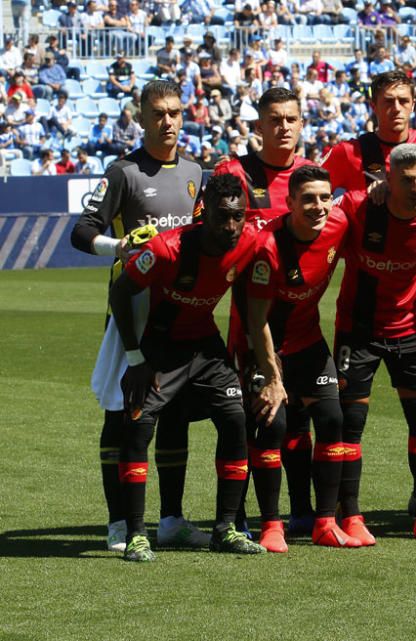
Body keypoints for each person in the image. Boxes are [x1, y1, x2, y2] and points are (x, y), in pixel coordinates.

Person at [321, 69, 416, 516]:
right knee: (351, 418)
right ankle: (345, 509)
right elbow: (316, 188)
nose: (396, 109)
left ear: (413, 105)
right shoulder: (351, 152)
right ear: (374, 106)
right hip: (364, 299)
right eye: (387, 101)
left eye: (403, 101)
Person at [70, 80, 207, 554]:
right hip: (131, 311)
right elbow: (82, 232)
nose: (167, 121)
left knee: (175, 415)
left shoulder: (196, 172)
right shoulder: (123, 172)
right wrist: (119, 245)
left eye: (174, 112)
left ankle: (170, 519)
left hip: (180, 314)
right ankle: (117, 522)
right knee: (120, 414)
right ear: (141, 117)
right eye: (157, 113)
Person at [108, 173, 267, 562]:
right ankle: (135, 535)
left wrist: (254, 363)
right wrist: (135, 359)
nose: (231, 226)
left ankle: (225, 529)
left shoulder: (250, 243)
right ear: (203, 213)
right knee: (138, 425)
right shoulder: (167, 249)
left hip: (204, 344)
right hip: (160, 346)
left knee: (235, 418)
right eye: (221, 217)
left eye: (238, 217)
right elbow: (120, 291)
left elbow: (250, 304)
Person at [333, 144, 416, 543]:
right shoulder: (357, 206)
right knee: (349, 429)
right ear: (387, 179)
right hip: (359, 333)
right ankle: (350, 515)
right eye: (407, 180)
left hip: (412, 331)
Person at [213, 87, 315, 535]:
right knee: (250, 419)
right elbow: (213, 232)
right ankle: (236, 515)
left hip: (299, 325)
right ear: (258, 126)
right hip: (248, 325)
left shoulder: (312, 180)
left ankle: (301, 509)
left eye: (291, 118)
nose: (284, 127)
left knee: (298, 421)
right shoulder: (235, 173)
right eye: (274, 119)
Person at [244, 165, 361, 552]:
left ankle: (324, 522)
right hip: (266, 349)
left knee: (332, 420)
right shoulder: (268, 247)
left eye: (324, 197)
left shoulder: (339, 223)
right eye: (307, 199)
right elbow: (255, 319)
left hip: (310, 342)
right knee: (273, 427)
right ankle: (271, 524)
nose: (318, 206)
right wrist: (272, 377)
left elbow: (366, 201)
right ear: (290, 202)